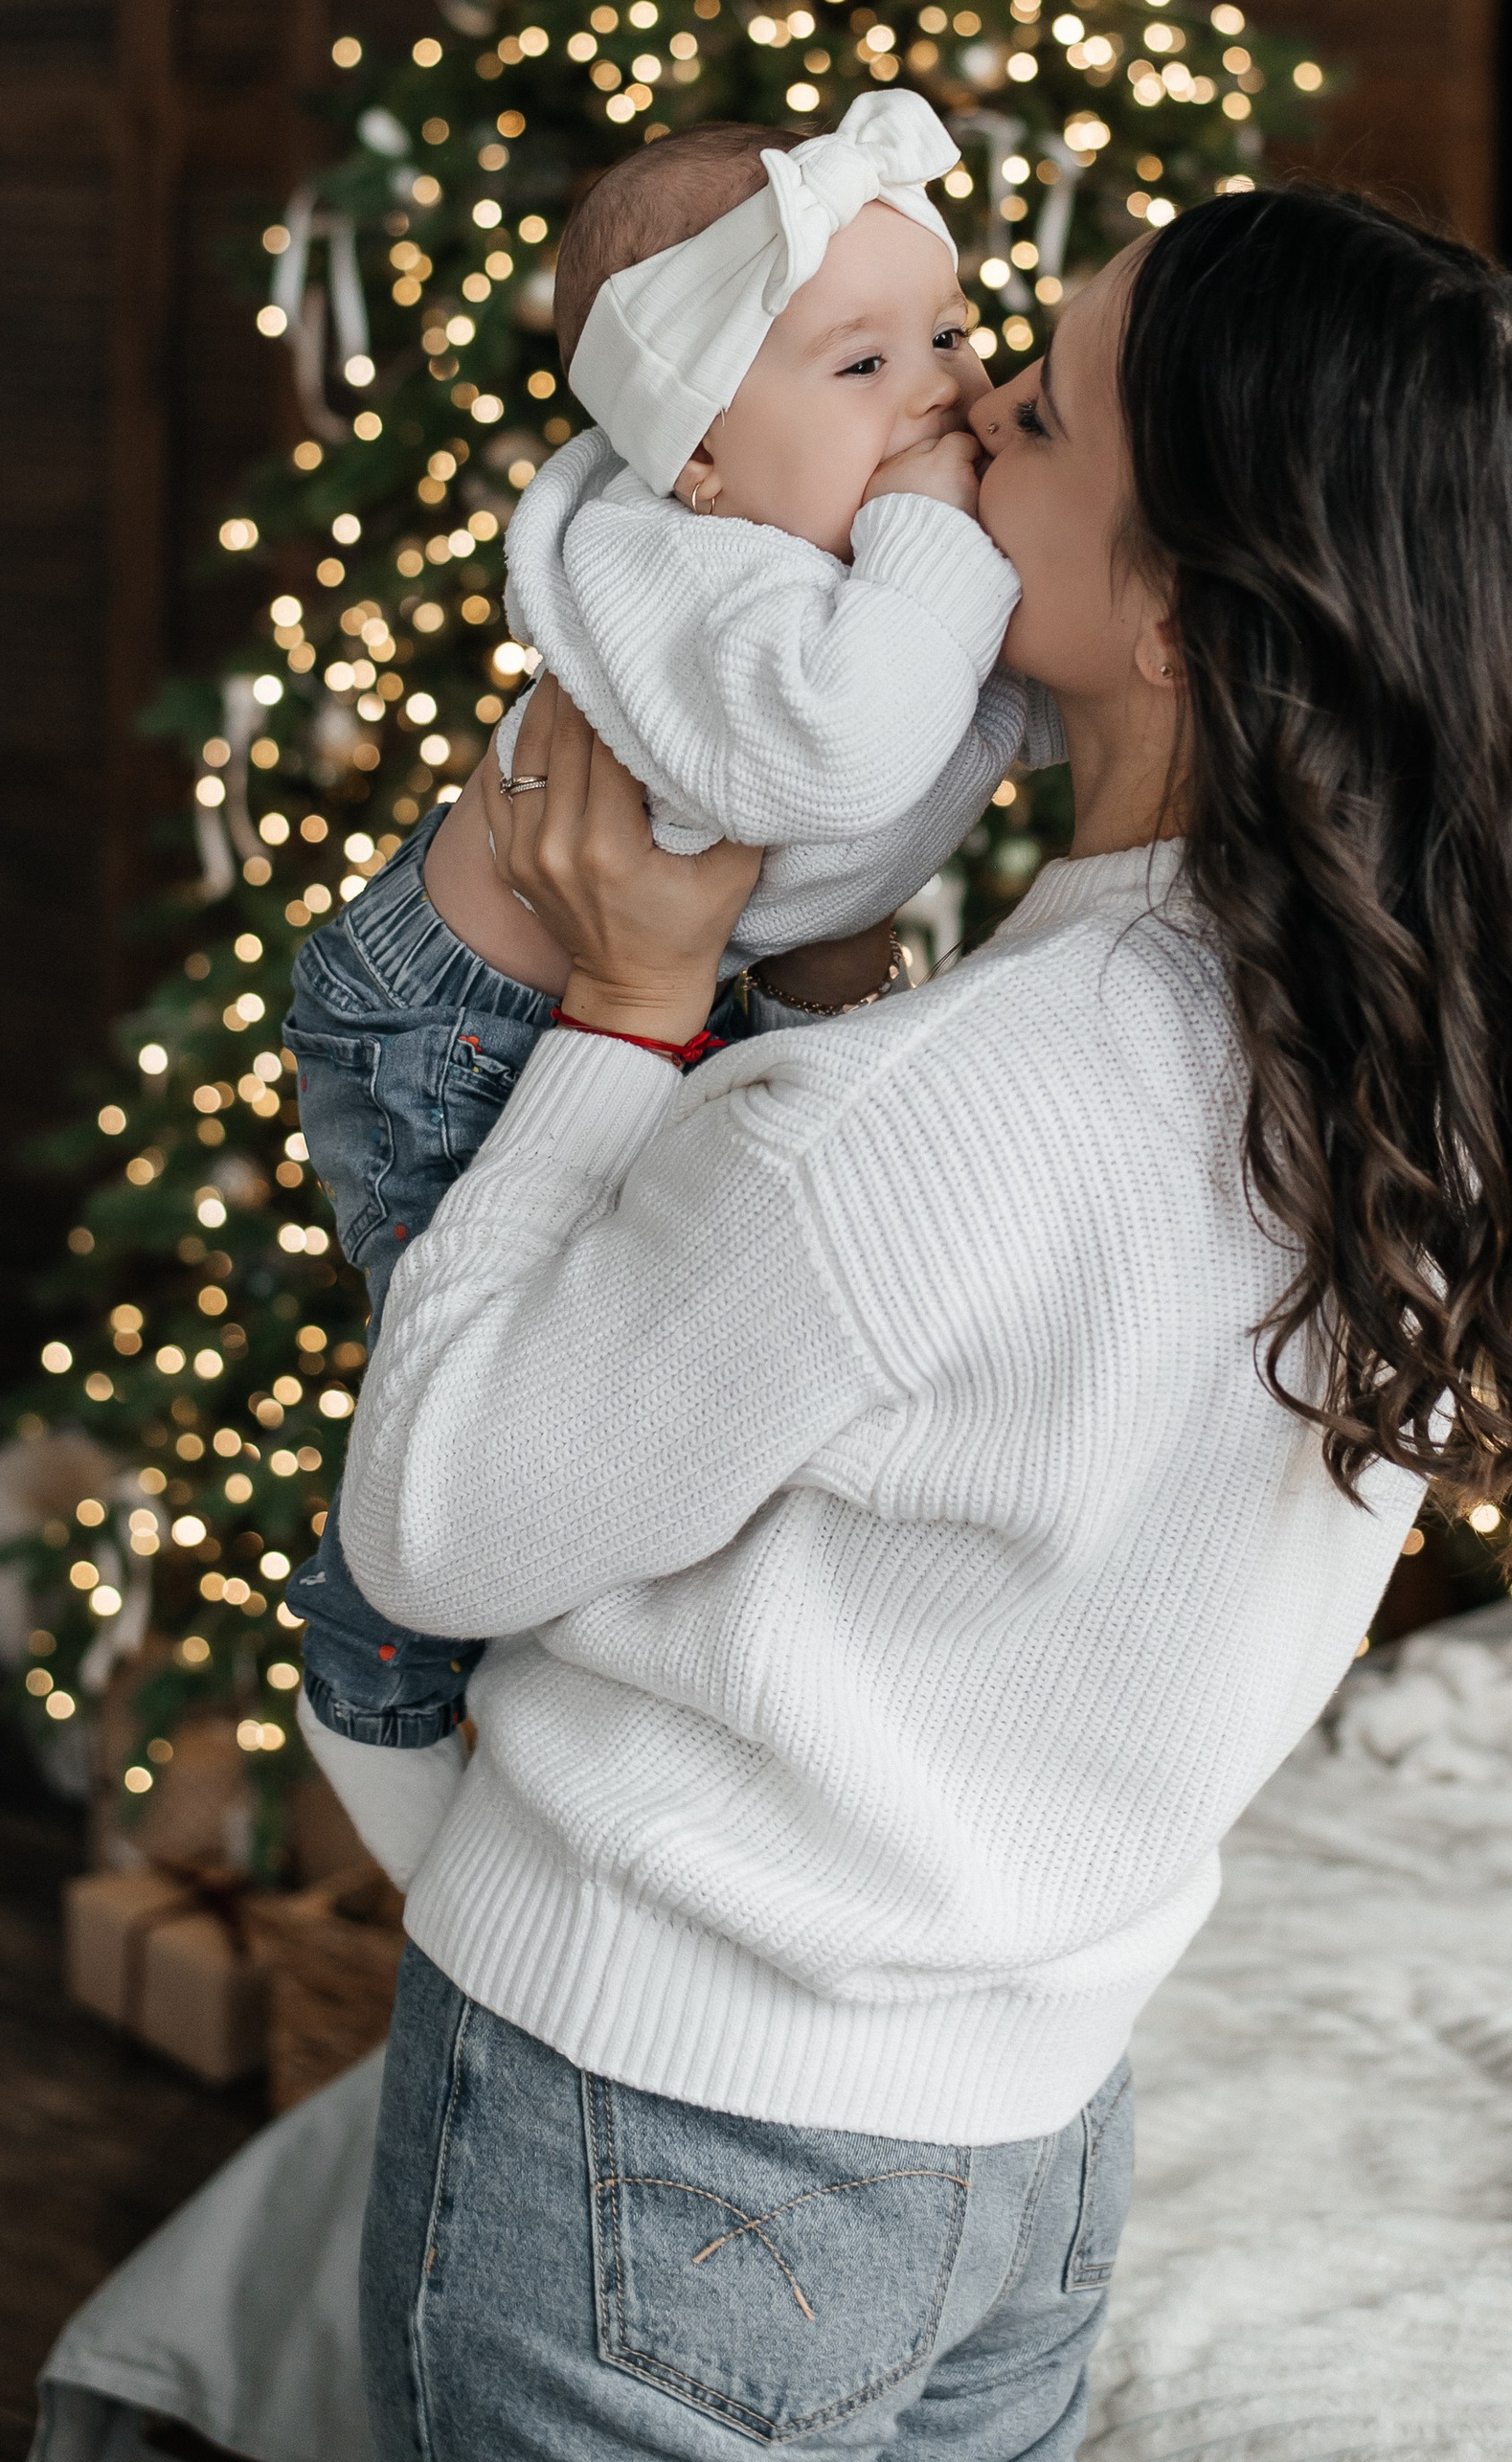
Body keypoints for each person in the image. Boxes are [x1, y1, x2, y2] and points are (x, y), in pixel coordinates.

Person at [339, 185, 1512, 2462]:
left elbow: (435, 1525)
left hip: (657, 2125)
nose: (967, 416)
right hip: (1025, 2147)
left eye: (1040, 407)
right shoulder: (1439, 1087)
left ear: (1177, 606)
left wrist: (624, 1008)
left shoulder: (909, 1123)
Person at [282, 96, 1053, 1879]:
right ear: (695, 456)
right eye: (858, 361)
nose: (939, 392)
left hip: (651, 997)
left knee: (651, 1390)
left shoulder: (848, 551)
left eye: (946, 332)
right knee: (475, 1416)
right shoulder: (690, 571)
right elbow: (866, 750)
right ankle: (370, 1691)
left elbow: (992, 715)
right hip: (449, 1030)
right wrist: (949, 541)